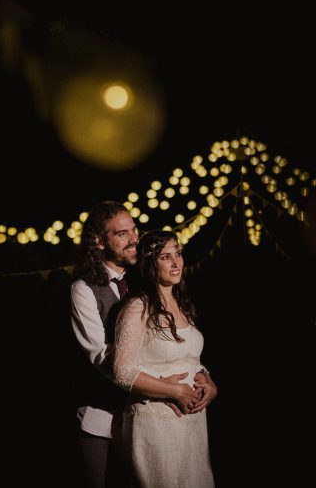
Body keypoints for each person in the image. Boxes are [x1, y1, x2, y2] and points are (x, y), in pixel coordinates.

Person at [113, 230, 219, 488]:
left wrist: (208, 381)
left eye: (178, 254)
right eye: (165, 257)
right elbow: (122, 371)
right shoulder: (138, 306)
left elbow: (190, 357)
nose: (176, 262)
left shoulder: (183, 304)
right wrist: (174, 390)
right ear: (151, 264)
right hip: (156, 421)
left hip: (192, 423)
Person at [69, 201, 140, 487]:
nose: (134, 238)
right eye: (122, 233)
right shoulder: (83, 289)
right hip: (99, 419)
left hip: (139, 417)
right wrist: (161, 381)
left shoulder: (141, 282)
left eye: (134, 230)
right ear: (99, 242)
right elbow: (100, 356)